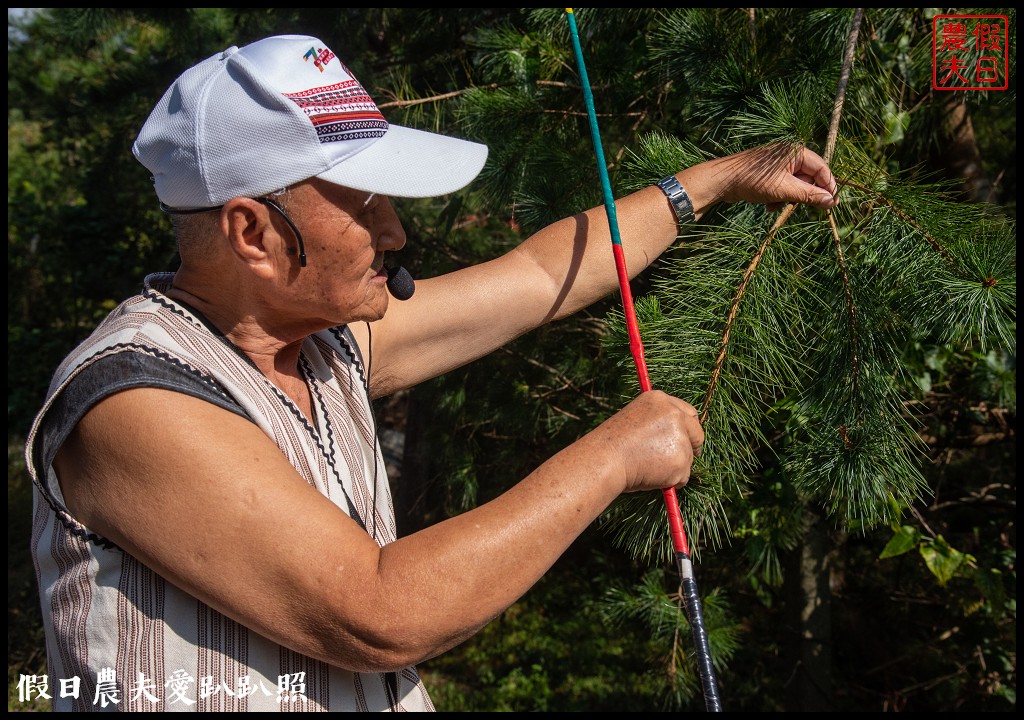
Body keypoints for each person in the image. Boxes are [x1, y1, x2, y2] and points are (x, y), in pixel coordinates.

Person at [26, 33, 837, 712]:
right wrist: (613, 457)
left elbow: (537, 273)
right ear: (251, 232)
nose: (396, 231)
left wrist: (718, 178)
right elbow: (377, 613)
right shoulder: (133, 400)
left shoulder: (326, 341)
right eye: (366, 201)